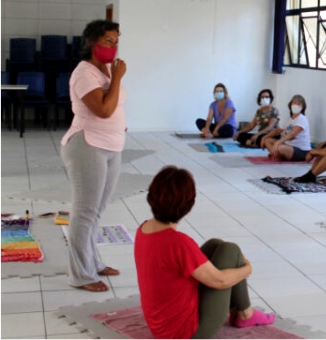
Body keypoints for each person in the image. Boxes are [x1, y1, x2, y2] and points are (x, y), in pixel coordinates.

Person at [135, 166, 275, 339]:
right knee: (231, 250)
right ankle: (245, 313)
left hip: (160, 326)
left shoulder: (143, 229)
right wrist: (247, 269)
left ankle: (242, 311)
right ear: (189, 204)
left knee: (215, 245)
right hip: (186, 333)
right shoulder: (178, 242)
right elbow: (219, 281)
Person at [60, 19, 127, 292]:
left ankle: (93, 262)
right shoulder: (84, 73)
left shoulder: (108, 69)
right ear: (92, 43)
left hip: (112, 146)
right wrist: (119, 78)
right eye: (107, 41)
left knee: (97, 212)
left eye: (116, 41)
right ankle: (81, 275)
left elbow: (116, 105)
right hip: (87, 145)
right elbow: (103, 110)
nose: (113, 47)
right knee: (85, 212)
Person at [261, 95, 311, 161]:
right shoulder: (288, 119)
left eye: (299, 104)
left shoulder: (302, 118)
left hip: (301, 150)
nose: (296, 105)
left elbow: (292, 134)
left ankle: (276, 154)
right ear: (290, 105)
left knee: (279, 147)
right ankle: (277, 155)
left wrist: (277, 143)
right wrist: (264, 137)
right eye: (294, 103)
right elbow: (277, 131)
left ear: (303, 107)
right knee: (267, 140)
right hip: (289, 146)